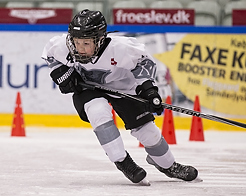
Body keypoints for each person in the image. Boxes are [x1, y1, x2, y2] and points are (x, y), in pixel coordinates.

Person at [42, 9, 199, 185]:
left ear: (100, 39)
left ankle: (168, 165)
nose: (80, 49)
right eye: (76, 42)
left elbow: (144, 63)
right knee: (98, 110)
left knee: (148, 133)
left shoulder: (121, 48)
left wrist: (148, 91)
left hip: (123, 89)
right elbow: (50, 54)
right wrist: (61, 73)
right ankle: (122, 161)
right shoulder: (62, 46)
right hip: (88, 89)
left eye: (86, 43)